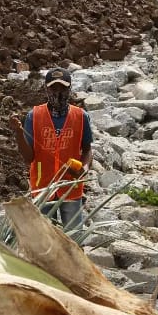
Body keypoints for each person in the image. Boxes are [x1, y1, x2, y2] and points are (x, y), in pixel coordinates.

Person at [9, 67, 93, 227]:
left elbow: (87, 149)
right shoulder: (34, 116)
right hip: (43, 188)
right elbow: (28, 157)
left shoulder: (81, 116)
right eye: (53, 87)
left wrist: (85, 167)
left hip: (70, 187)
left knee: (73, 237)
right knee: (45, 239)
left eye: (63, 88)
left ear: (69, 89)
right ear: (46, 89)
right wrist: (19, 133)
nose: (58, 92)